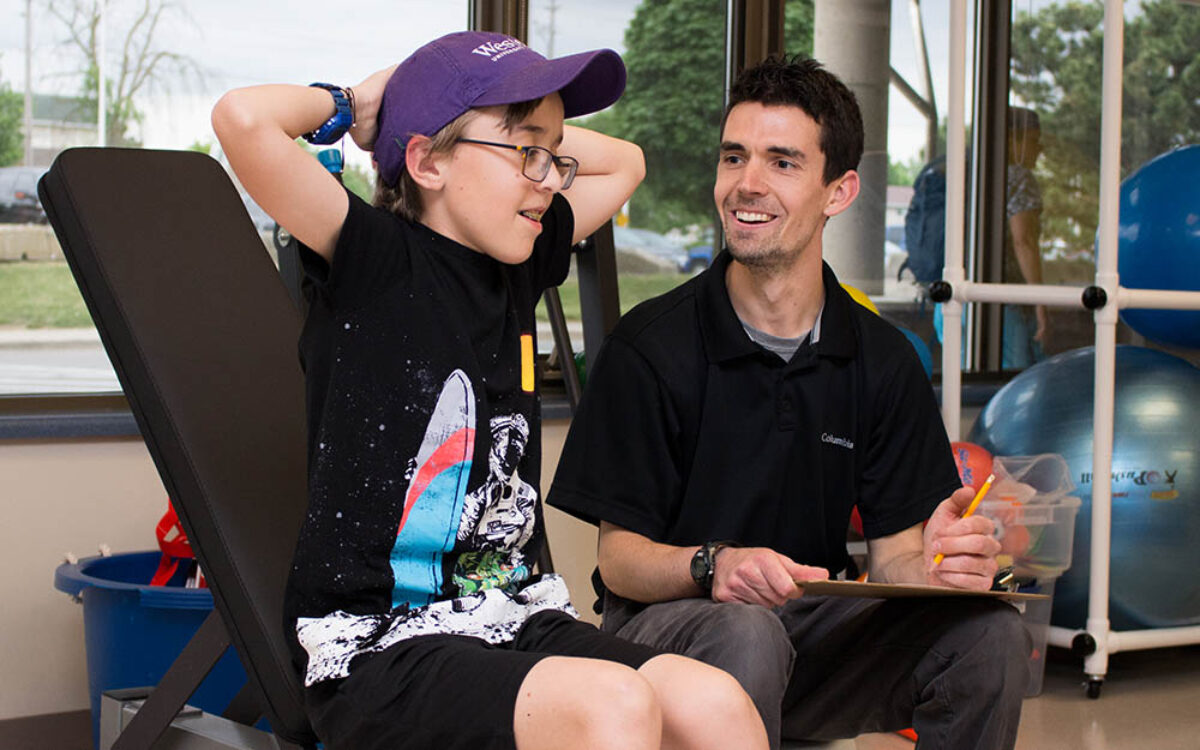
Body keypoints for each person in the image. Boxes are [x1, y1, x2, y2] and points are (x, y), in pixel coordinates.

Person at [212, 31, 767, 750]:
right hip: (381, 645)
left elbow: (625, 162)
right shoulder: (375, 256)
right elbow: (243, 119)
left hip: (512, 616)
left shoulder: (519, 263)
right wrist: (359, 104)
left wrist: (526, 133)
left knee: (716, 702)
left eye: (554, 154)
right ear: (427, 162)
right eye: (526, 152)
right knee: (616, 705)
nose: (550, 178)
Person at [548, 54, 1030, 750]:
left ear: (839, 191)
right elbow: (621, 560)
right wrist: (716, 566)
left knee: (989, 633)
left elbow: (895, 558)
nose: (746, 183)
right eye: (734, 157)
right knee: (747, 630)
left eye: (782, 162)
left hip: (809, 632)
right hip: (664, 639)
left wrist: (940, 570)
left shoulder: (883, 359)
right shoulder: (648, 347)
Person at [1003, 106, 1047, 369]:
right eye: (1033, 140)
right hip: (1006, 304)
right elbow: (1024, 241)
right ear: (1012, 140)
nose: (1039, 150)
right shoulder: (1018, 177)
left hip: (954, 305)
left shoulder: (968, 172)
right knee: (1013, 382)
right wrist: (1040, 303)